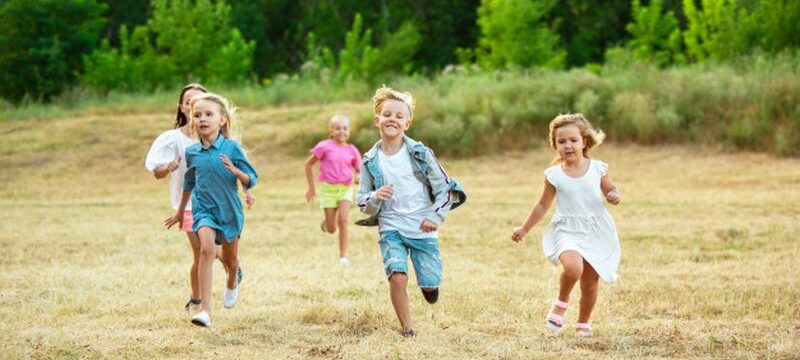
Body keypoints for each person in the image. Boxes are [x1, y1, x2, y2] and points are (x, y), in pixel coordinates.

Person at [356, 86, 466, 337]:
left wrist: (434, 216)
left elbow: (445, 188)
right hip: (390, 225)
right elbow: (361, 201)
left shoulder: (420, 153)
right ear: (377, 120)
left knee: (429, 282)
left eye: (398, 115)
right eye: (387, 114)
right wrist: (375, 196)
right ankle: (407, 329)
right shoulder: (370, 160)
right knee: (397, 275)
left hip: (422, 225)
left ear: (407, 122)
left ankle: (429, 287)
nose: (392, 119)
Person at [511, 113, 621, 337]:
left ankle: (583, 323)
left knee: (590, 282)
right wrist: (524, 228)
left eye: (573, 140)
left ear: (584, 142)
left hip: (595, 229)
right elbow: (542, 205)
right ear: (555, 145)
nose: (567, 145)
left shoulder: (597, 168)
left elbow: (610, 189)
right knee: (573, 268)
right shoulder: (554, 175)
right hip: (567, 229)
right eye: (561, 141)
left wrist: (614, 195)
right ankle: (561, 303)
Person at [145, 84, 251, 315]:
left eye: (204, 107)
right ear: (183, 108)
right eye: (189, 103)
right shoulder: (173, 139)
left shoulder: (222, 140)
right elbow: (158, 173)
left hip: (220, 204)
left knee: (206, 252)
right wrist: (168, 167)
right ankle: (200, 303)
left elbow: (242, 172)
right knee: (202, 251)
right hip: (189, 204)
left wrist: (247, 190)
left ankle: (228, 269)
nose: (198, 110)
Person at [305, 115, 361, 266]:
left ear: (349, 131)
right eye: (337, 128)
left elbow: (359, 170)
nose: (341, 131)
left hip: (345, 188)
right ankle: (328, 222)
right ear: (331, 131)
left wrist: (358, 177)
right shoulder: (324, 147)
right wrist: (311, 188)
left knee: (343, 220)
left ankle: (343, 256)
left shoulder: (352, 150)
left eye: (345, 128)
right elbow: (308, 165)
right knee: (331, 229)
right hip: (328, 189)